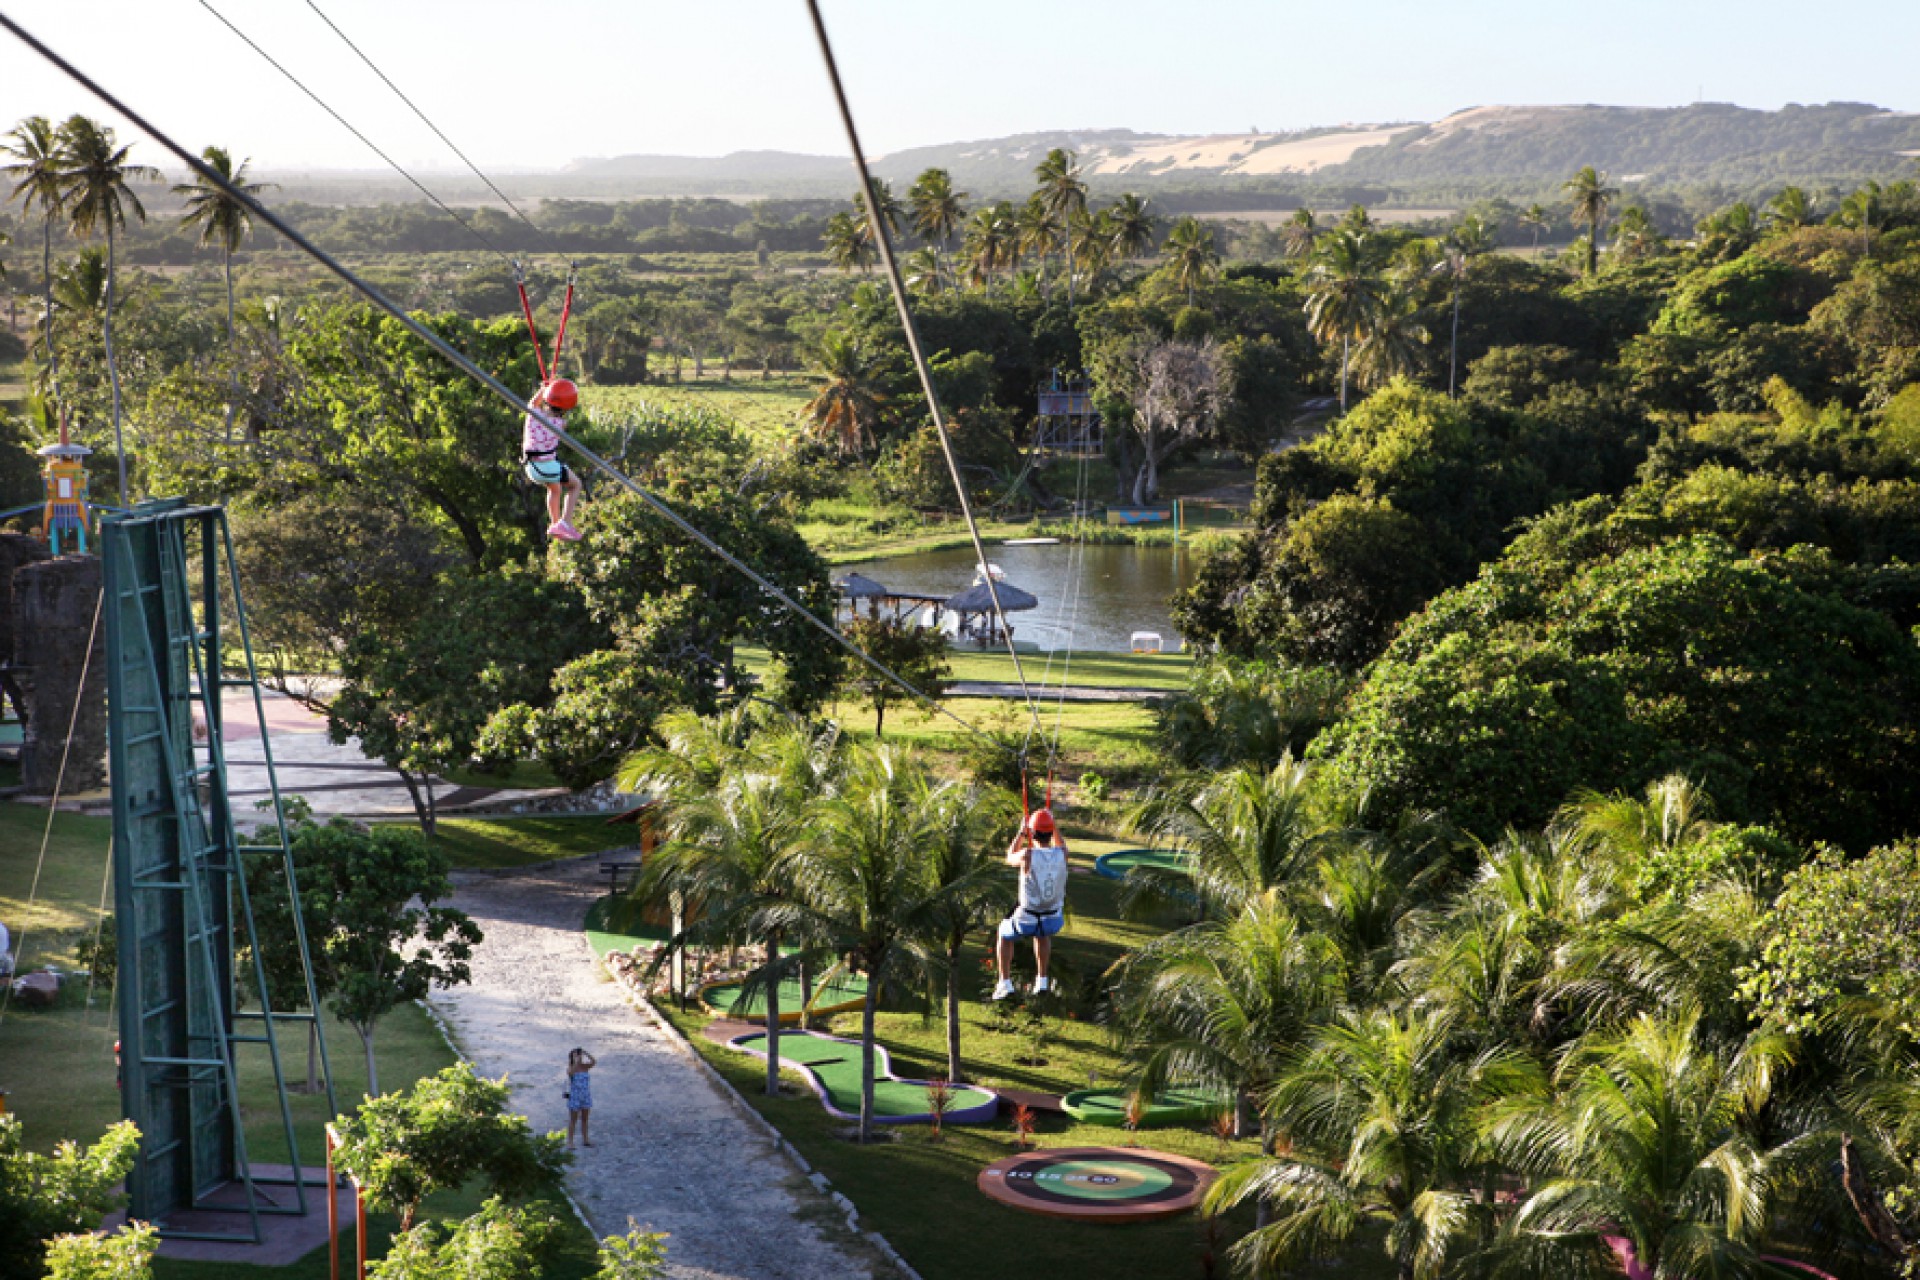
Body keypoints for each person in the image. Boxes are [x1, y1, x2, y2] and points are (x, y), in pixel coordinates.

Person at [993, 808, 1068, 1001]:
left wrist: (1021, 832)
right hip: (1052, 919)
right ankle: (1042, 980)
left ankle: (1004, 982)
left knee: (1003, 933)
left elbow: (1009, 856)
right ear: (1051, 832)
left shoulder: (1027, 855)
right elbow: (1060, 843)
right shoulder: (1062, 853)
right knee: (1042, 935)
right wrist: (1052, 822)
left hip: (1027, 918)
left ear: (1032, 833)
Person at [523, 378, 584, 543]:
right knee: (575, 484)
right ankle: (565, 521)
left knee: (555, 489)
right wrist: (551, 391)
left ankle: (556, 524)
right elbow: (559, 411)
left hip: (531, 468)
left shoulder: (533, 415)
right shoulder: (560, 423)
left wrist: (543, 390)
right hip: (548, 467)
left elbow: (533, 403)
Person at [565, 1047, 596, 1147]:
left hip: (585, 1096)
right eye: (576, 1055)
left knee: (585, 1119)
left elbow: (594, 1061)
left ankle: (585, 1139)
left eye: (579, 1055)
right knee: (573, 1120)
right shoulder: (571, 1068)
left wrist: (585, 1052)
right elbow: (570, 1072)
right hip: (575, 1097)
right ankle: (570, 1141)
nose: (579, 1057)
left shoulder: (585, 1067)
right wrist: (576, 1062)